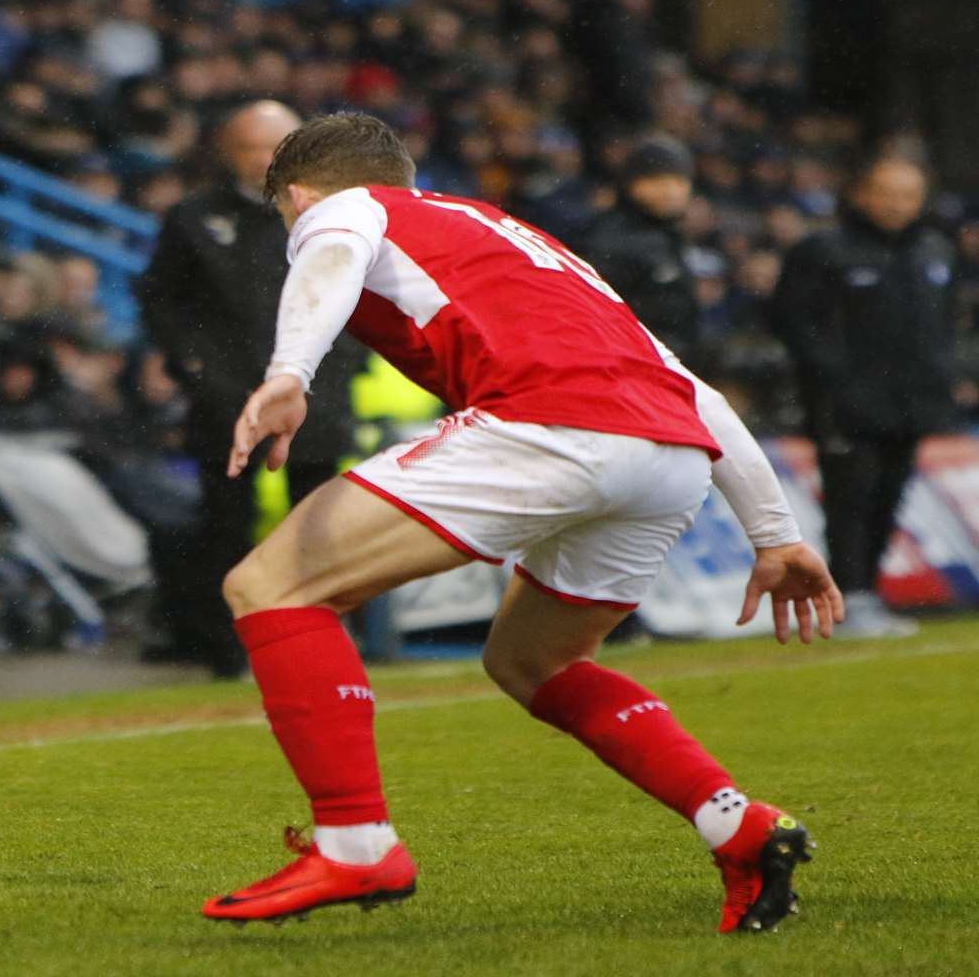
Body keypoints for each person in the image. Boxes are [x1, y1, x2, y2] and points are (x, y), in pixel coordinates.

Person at [202, 113, 840, 934]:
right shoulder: (516, 237)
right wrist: (775, 534)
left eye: (288, 217)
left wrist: (290, 371)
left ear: (294, 195)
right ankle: (740, 826)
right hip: (668, 454)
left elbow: (332, 247)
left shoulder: (342, 208)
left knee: (270, 585)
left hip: (549, 429)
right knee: (534, 661)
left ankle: (355, 843)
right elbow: (693, 389)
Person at [136, 100, 365, 677]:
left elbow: (365, 291)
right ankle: (230, 649)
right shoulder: (194, 218)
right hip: (227, 399)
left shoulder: (337, 214)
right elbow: (162, 298)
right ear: (227, 153)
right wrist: (193, 369)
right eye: (252, 147)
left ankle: (321, 640)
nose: (266, 158)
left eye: (277, 145)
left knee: (316, 523)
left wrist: (337, 370)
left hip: (314, 394)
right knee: (225, 525)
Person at [771, 154, 955, 638]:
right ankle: (848, 595)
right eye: (888, 192)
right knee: (850, 499)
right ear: (861, 194)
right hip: (843, 404)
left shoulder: (934, 251)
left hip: (911, 401)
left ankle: (867, 593)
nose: (898, 204)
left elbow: (947, 322)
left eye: (909, 195)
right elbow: (792, 319)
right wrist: (833, 375)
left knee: (888, 497)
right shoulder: (823, 250)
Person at [580, 136, 704, 365]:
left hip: (665, 365)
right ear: (630, 183)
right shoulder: (610, 238)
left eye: (679, 180)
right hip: (632, 364)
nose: (670, 191)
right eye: (656, 179)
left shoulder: (666, 236)